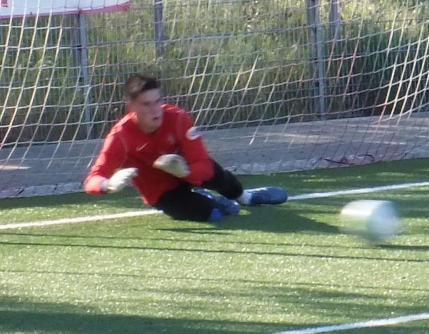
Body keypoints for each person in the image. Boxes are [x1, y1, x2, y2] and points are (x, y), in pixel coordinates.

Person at [84, 74, 288, 223]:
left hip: (189, 174)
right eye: (146, 104)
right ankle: (212, 201)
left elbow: (203, 163)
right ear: (131, 107)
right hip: (161, 191)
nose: (155, 110)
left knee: (215, 173)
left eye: (157, 101)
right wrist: (108, 184)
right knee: (213, 215)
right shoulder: (120, 136)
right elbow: (92, 179)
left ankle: (246, 198)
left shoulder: (178, 118)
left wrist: (185, 172)